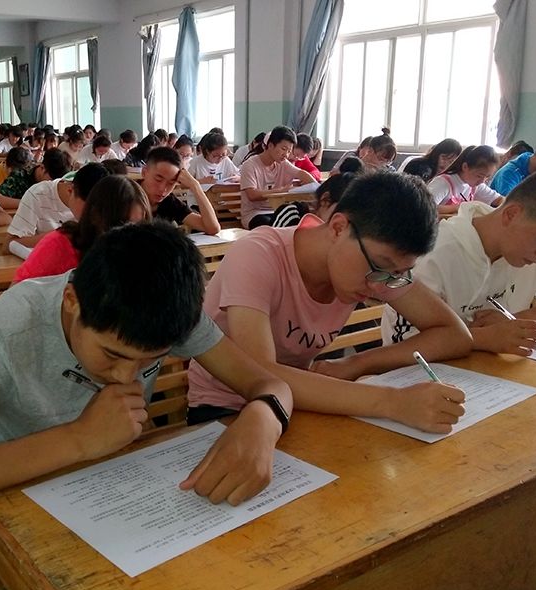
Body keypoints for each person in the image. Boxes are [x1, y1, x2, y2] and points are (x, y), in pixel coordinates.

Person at [0, 221, 294, 525]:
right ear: (71, 300)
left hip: (121, 487)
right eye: (112, 354)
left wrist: (262, 420)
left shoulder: (169, 312)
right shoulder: (8, 331)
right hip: (16, 495)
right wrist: (80, 438)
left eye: (148, 361)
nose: (126, 378)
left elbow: (268, 383)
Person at [187, 171, 471, 433]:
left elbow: (454, 334)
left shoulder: (374, 267)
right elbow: (262, 376)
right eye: (380, 267)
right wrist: (393, 402)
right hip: (228, 409)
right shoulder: (258, 255)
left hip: (302, 403)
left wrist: (357, 363)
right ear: (337, 228)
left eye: (397, 274)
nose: (379, 287)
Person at [383, 168, 536, 355]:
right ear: (511, 214)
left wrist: (516, 321)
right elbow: (402, 340)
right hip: (422, 376)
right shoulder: (435, 253)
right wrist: (483, 338)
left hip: (490, 374)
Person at [13, 175, 151, 282]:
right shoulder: (61, 245)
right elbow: (17, 294)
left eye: (138, 227)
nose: (131, 236)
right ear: (96, 217)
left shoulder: (140, 254)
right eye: (123, 225)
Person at [6, 163, 108, 251]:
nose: (92, 216)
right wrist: (57, 236)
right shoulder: (38, 195)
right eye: (88, 209)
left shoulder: (104, 199)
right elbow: (8, 245)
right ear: (70, 191)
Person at [239, 126, 316, 229]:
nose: (286, 155)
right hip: (254, 214)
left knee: (301, 211)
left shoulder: (283, 163)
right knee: (276, 225)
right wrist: (281, 191)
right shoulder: (250, 165)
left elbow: (302, 174)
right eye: (283, 149)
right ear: (270, 145)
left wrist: (317, 189)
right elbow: (252, 195)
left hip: (276, 211)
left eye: (289, 151)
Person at [140, 147, 221, 235]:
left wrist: (195, 186)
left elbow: (213, 228)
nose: (163, 189)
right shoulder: (130, 194)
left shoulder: (169, 202)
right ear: (144, 172)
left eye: (171, 183)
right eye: (158, 180)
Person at [271, 157, 362, 228]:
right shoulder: (293, 215)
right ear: (325, 200)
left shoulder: (345, 230)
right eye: (343, 211)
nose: (345, 222)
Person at [427, 145, 502, 217]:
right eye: (479, 176)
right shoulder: (443, 183)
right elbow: (427, 208)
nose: (482, 181)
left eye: (487, 177)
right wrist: (459, 207)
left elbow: (499, 200)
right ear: (465, 167)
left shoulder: (476, 185)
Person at [330, 129, 396, 175]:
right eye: (381, 159)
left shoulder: (390, 171)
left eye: (389, 161)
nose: (384, 164)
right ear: (370, 151)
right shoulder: (352, 165)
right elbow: (333, 175)